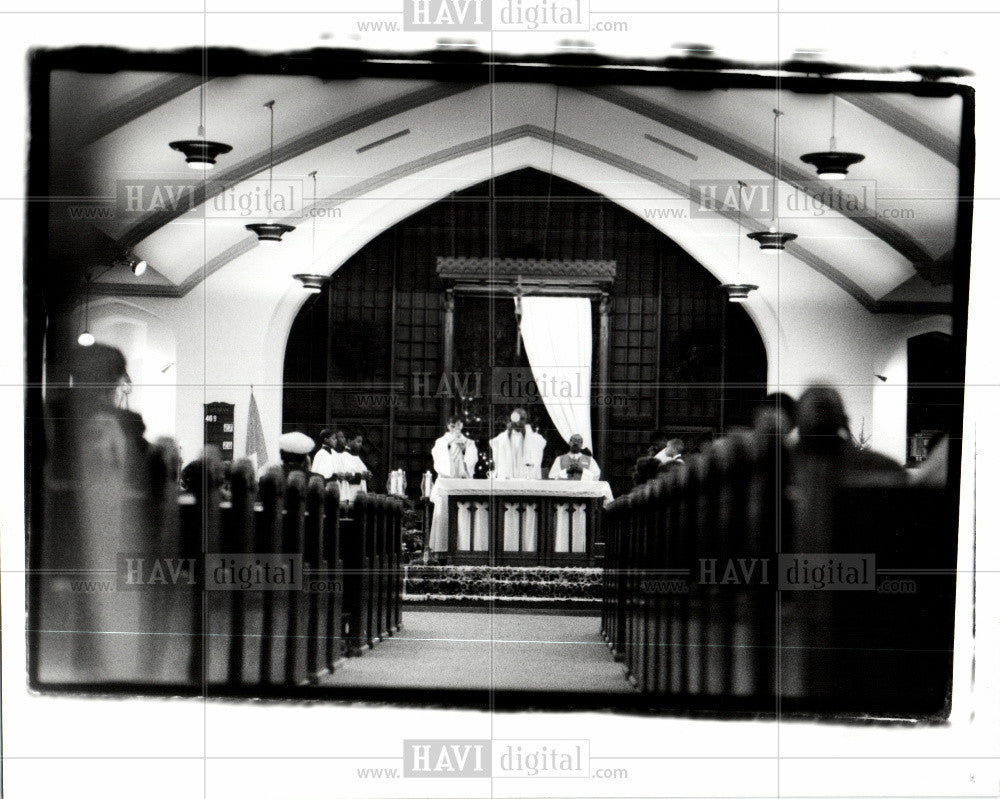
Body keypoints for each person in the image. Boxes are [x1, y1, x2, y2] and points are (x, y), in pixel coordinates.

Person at [489, 408, 546, 479]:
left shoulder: (535, 438)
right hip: (508, 477)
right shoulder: (503, 438)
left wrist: (526, 434)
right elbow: (495, 444)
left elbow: (540, 445)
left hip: (526, 477)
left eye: (522, 419)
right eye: (517, 418)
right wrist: (508, 434)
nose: (519, 422)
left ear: (526, 420)